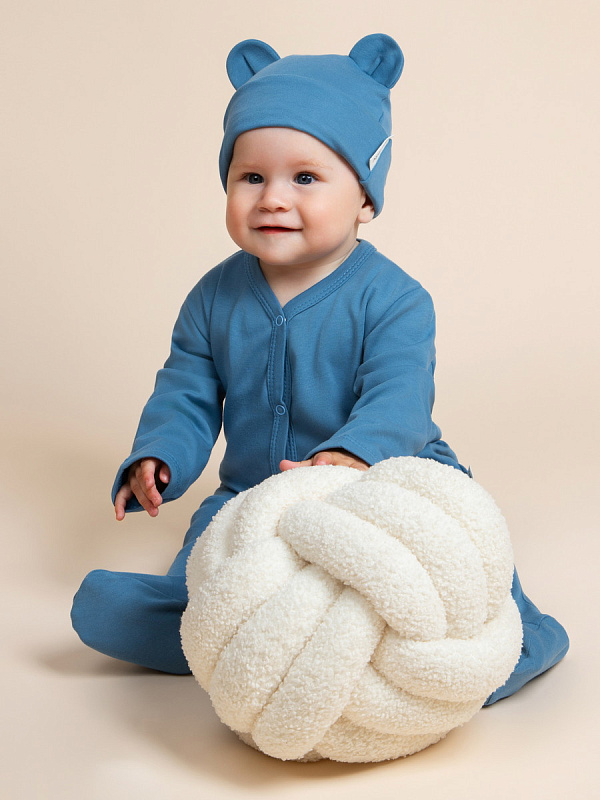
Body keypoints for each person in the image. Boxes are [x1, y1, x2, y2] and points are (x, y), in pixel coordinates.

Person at [71, 34, 568, 703]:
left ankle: (517, 638)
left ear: (364, 197)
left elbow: (399, 398)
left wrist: (350, 456)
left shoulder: (395, 299)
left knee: (454, 549)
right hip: (254, 491)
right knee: (214, 560)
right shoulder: (213, 298)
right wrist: (159, 455)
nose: (273, 199)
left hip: (386, 482)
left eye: (305, 178)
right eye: (251, 177)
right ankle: (196, 624)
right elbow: (185, 392)